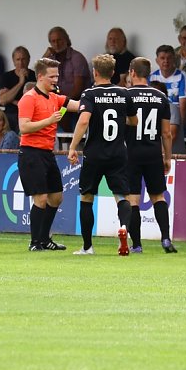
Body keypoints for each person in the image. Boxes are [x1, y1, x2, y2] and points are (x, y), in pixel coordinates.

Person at [67, 54, 137, 255]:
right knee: (122, 196)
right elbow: (134, 121)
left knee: (87, 197)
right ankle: (123, 228)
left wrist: (73, 147)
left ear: (94, 72)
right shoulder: (124, 93)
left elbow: (83, 121)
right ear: (113, 73)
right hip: (118, 152)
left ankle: (87, 247)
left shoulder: (89, 94)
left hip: (95, 153)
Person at [17, 57, 80, 251]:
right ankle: (35, 242)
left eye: (57, 76)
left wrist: (95, 99)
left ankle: (44, 239)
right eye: (52, 76)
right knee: (41, 198)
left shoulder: (55, 97)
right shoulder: (29, 98)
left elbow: (78, 106)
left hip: (47, 153)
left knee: (56, 196)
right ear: (41, 76)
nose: (56, 80)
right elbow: (24, 127)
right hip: (31, 153)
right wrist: (49, 120)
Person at [125, 57, 174, 253]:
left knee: (133, 200)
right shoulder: (160, 96)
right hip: (153, 153)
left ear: (132, 73)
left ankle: (136, 245)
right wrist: (167, 157)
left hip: (130, 153)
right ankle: (166, 239)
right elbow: (167, 133)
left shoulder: (125, 96)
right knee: (158, 197)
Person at [150, 44, 186, 132]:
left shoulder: (182, 76)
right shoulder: (151, 77)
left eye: (169, 58)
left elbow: (183, 106)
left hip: (174, 119)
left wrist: (181, 130)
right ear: (157, 60)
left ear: (174, 59)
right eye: (162, 58)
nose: (166, 61)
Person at [0, 46, 36, 132]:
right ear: (13, 61)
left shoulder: (36, 76)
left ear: (29, 60)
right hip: (12, 114)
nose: (21, 63)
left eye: (23, 59)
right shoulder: (6, 77)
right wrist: (20, 82)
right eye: (18, 60)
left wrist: (13, 100)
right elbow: (2, 100)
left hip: (31, 112)